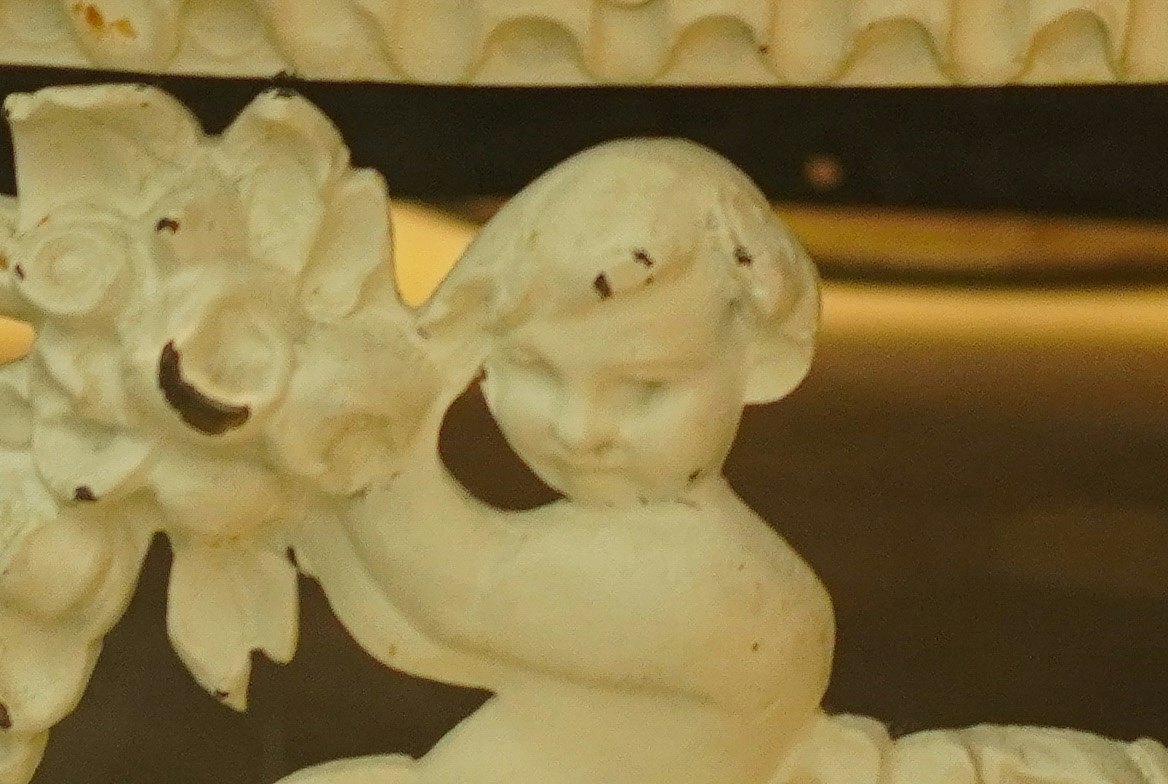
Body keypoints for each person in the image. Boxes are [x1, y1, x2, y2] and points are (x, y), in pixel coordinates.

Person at [305, 142, 839, 784]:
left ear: (757, 360)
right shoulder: (606, 550)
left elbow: (447, 597)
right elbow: (419, 639)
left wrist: (350, 419)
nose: (578, 431)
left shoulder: (731, 590)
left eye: (646, 388)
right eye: (535, 371)